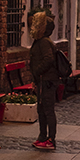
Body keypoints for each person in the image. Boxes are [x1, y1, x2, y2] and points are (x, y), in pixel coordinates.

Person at [28, 10, 60, 150]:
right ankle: (42, 136)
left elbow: (48, 59)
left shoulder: (44, 42)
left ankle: (51, 139)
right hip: (43, 80)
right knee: (41, 110)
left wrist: (37, 71)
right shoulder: (40, 41)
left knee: (47, 110)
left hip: (47, 81)